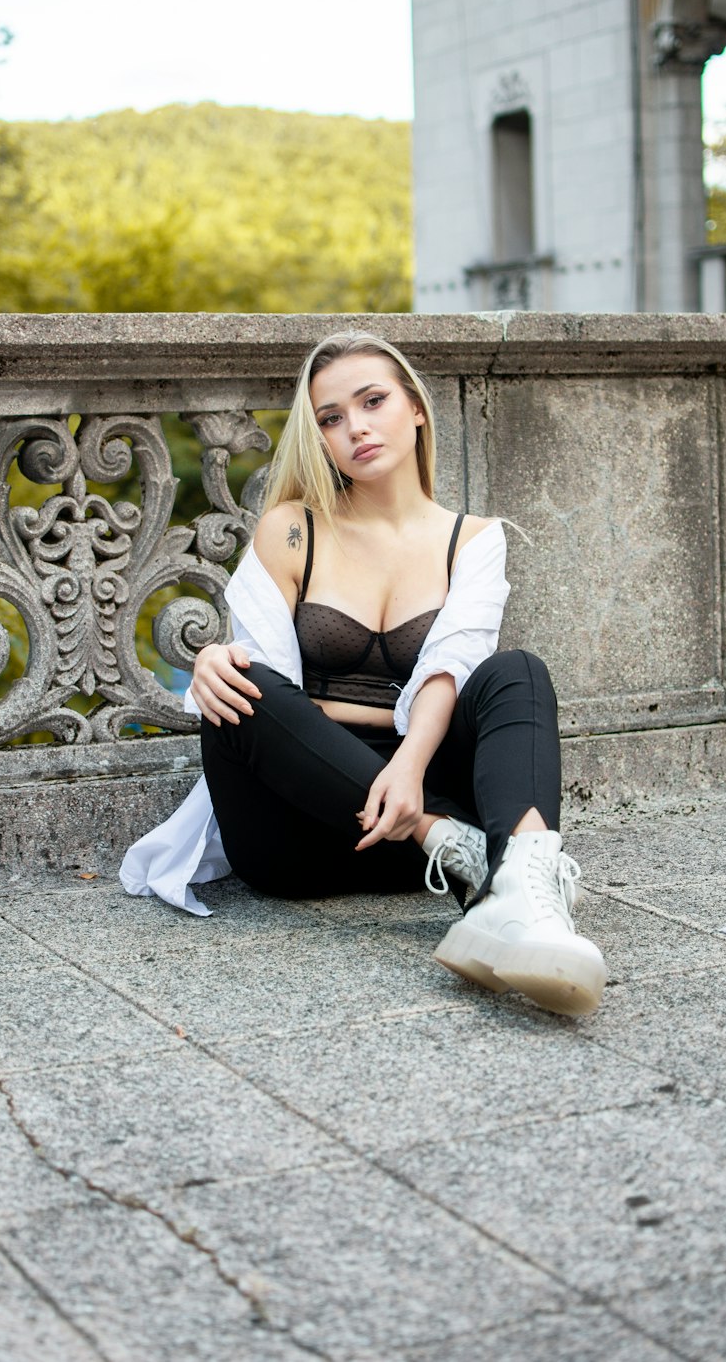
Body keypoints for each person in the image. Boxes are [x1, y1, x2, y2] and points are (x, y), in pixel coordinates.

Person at [120, 331, 606, 1016]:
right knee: (242, 677)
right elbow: (266, 686)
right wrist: (214, 661)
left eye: (372, 401)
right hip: (298, 825)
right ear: (319, 437)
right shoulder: (293, 529)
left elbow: (451, 665)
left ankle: (525, 902)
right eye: (331, 417)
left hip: (421, 788)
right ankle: (481, 864)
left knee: (517, 671)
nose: (356, 427)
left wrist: (408, 770)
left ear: (415, 408)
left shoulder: (474, 539)